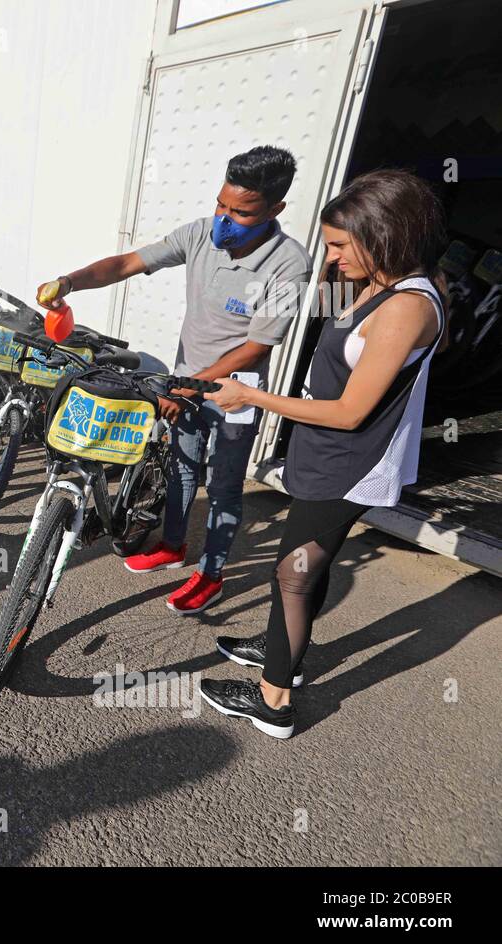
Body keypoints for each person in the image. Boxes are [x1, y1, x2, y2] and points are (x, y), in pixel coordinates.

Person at [200, 169, 447, 740]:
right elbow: (307, 310)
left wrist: (250, 395)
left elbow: (351, 412)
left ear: (382, 235)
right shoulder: (373, 282)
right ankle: (280, 647)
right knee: (302, 565)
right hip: (324, 451)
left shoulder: (406, 306)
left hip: (350, 459)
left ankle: (275, 700)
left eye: (339, 245)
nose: (332, 258)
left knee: (293, 573)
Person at [39, 146, 312, 614]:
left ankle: (211, 574)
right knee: (181, 467)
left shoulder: (289, 264)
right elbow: (127, 263)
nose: (224, 219)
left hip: (234, 392)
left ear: (275, 210)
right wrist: (69, 282)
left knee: (225, 485)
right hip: (185, 382)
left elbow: (258, 345)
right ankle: (172, 545)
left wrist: (189, 385)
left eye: (241, 212)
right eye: (221, 205)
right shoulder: (200, 235)